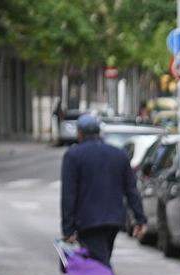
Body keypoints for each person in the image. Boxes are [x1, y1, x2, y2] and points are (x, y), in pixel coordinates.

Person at [60, 112, 144, 265]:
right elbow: (131, 189)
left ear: (80, 133)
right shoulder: (119, 155)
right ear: (99, 132)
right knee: (101, 259)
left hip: (87, 221)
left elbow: (69, 195)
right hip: (114, 220)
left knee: (100, 264)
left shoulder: (73, 156)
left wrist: (68, 229)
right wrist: (140, 219)